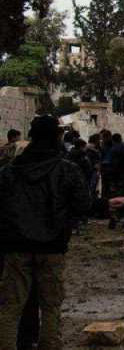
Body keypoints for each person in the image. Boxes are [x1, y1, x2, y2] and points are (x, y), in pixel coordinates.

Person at [0, 114, 91, 349]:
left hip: (16, 248)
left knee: (10, 308)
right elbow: (81, 205)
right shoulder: (67, 170)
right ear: (57, 137)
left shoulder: (10, 171)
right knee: (51, 307)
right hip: (52, 248)